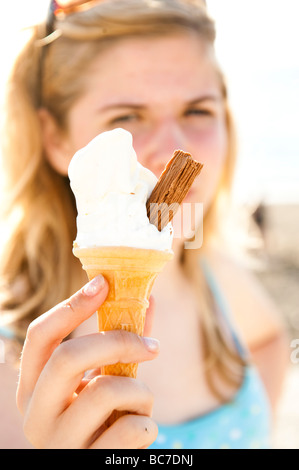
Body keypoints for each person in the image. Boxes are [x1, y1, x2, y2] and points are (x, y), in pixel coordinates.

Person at [0, 0, 289, 449]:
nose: (174, 150)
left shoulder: (213, 273)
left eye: (197, 111)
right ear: (54, 139)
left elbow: (271, 340)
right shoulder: (15, 366)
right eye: (126, 117)